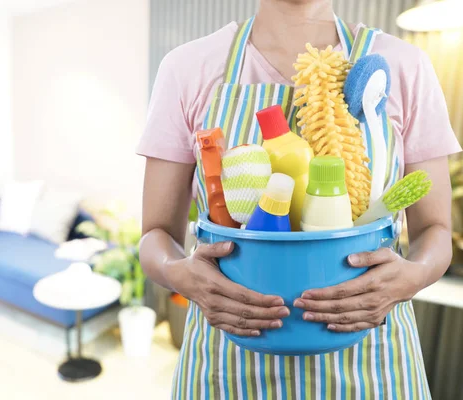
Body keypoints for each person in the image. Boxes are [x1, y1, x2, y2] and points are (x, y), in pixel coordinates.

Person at [137, 0, 461, 398]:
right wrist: (178, 273)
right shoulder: (188, 68)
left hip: (370, 365)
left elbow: (436, 231)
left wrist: (410, 277)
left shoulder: (403, 66)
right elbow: (154, 235)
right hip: (229, 366)